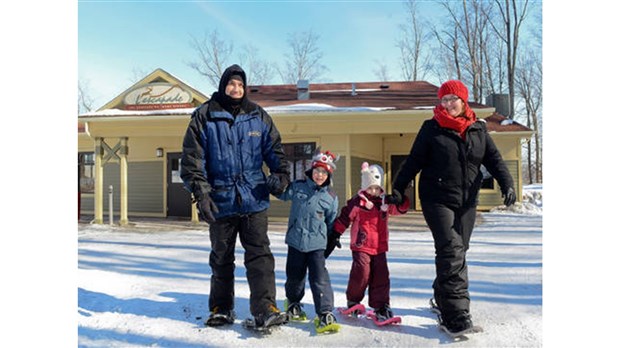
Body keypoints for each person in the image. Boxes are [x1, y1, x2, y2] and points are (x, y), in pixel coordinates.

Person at [387, 79, 517, 335]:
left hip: (467, 201)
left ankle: (441, 296)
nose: (447, 104)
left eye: (452, 99)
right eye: (444, 100)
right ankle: (455, 316)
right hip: (436, 199)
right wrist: (398, 188)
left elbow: (495, 160)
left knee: (459, 249)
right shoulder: (431, 128)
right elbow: (414, 161)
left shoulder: (478, 129)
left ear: (463, 100)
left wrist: (507, 184)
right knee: (452, 250)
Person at [180, 64, 290, 329]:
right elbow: (192, 160)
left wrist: (281, 175)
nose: (236, 89)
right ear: (223, 85)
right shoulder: (204, 116)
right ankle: (221, 307)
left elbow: (275, 150)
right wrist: (202, 193)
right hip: (220, 199)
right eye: (232, 84)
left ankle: (265, 307)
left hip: (254, 197)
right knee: (221, 256)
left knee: (260, 255)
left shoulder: (258, 116)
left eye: (240, 85)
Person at [327, 162, 410, 322]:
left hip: (380, 246)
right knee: (361, 273)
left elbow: (400, 210)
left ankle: (381, 306)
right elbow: (345, 217)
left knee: (381, 276)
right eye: (370, 188)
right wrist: (336, 233)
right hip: (361, 246)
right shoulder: (357, 202)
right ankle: (353, 300)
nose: (374, 191)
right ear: (365, 187)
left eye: (377, 188)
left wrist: (401, 200)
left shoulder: (385, 202)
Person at [274, 149, 340, 330]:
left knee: (319, 278)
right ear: (312, 171)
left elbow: (331, 221)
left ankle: (325, 312)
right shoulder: (298, 187)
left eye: (324, 172)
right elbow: (281, 194)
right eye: (318, 171)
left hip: (317, 244)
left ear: (329, 175)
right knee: (295, 276)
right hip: (296, 241)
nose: (320, 175)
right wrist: (275, 184)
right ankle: (293, 302)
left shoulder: (331, 197)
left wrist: (332, 237)